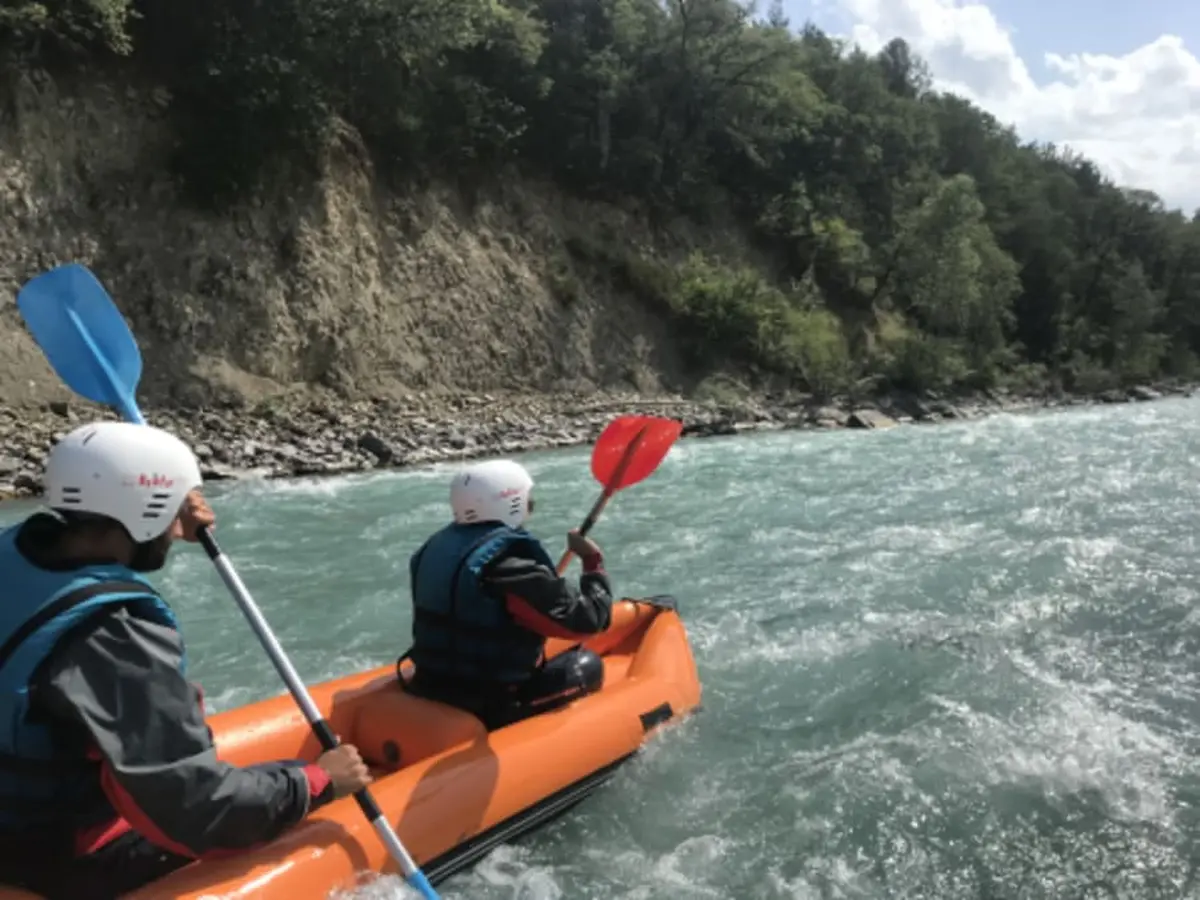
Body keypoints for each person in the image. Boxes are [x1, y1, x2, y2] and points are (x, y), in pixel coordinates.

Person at [0, 421, 372, 900]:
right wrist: (318, 782)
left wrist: (165, 517)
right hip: (53, 860)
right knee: (289, 796)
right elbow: (199, 810)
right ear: (143, 513)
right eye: (171, 512)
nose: (178, 530)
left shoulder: (16, 549)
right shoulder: (111, 637)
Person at [403, 458, 614, 729]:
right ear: (510, 502)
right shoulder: (511, 566)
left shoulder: (433, 548)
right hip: (489, 700)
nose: (530, 505)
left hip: (429, 682)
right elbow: (589, 622)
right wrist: (593, 562)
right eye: (528, 499)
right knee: (587, 664)